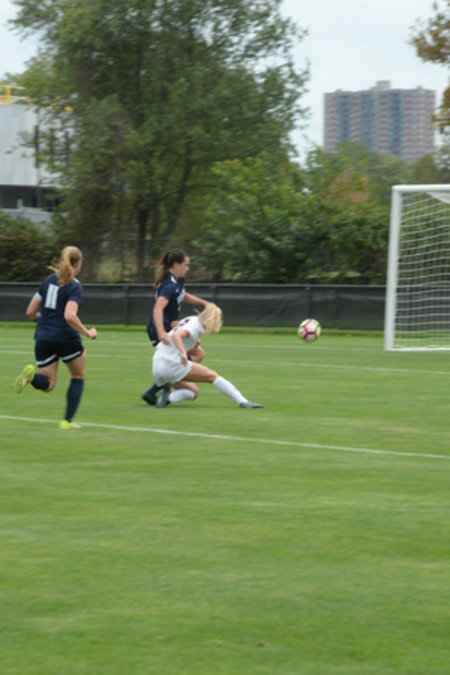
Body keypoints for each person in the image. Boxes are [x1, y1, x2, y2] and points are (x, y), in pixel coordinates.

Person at [14, 245, 98, 429]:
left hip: (43, 336)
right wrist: (88, 332)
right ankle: (67, 421)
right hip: (66, 337)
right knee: (77, 376)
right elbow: (69, 316)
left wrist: (44, 319)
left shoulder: (48, 281)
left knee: (49, 384)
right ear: (78, 263)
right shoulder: (74, 286)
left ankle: (32, 378)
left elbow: (30, 311)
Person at [152, 303, 263, 409]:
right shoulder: (195, 327)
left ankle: (167, 397)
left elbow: (174, 326)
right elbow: (176, 335)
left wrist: (193, 340)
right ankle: (243, 402)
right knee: (212, 376)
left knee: (193, 392)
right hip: (170, 363)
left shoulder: (192, 319)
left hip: (157, 364)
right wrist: (183, 353)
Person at [142, 248, 210, 405]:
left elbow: (183, 295)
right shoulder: (168, 284)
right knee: (186, 358)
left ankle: (156, 389)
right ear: (176, 264)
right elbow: (158, 308)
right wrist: (161, 332)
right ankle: (161, 387)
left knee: (198, 353)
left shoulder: (178, 280)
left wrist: (204, 303)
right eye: (185, 265)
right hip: (160, 328)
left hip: (171, 326)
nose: (187, 268)